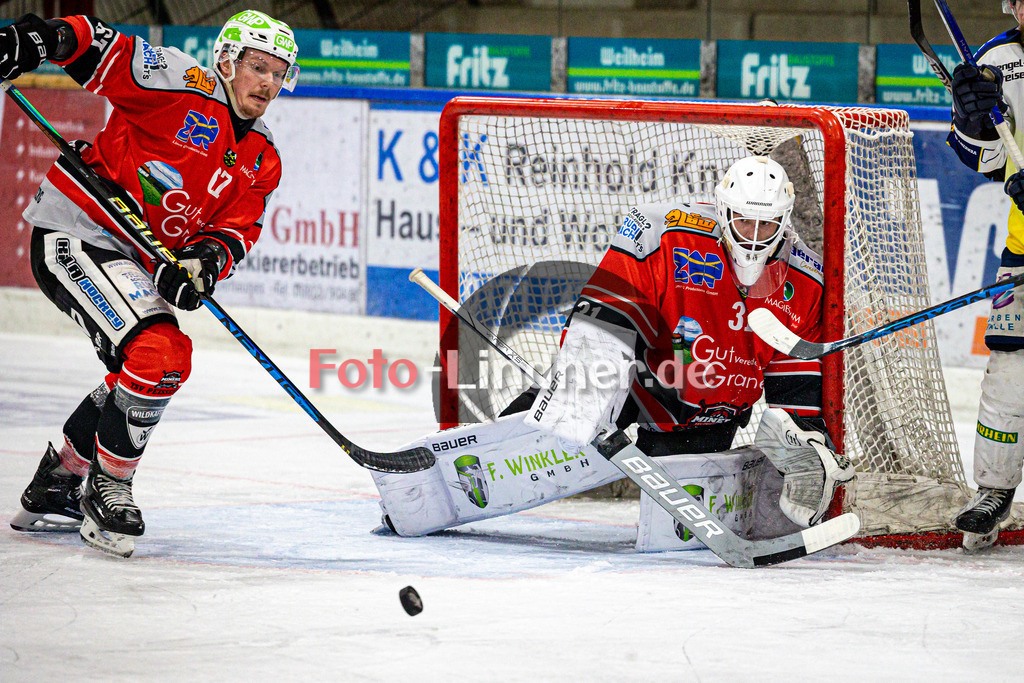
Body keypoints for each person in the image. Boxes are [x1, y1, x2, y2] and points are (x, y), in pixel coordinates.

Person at [371, 155, 854, 542]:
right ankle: (443, 477)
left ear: (783, 224)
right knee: (552, 431)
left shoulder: (807, 282)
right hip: (647, 380)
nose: (752, 238)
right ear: (722, 212)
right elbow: (607, 305)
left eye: (764, 227)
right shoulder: (669, 233)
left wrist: (807, 442)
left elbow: (796, 384)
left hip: (715, 412)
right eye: (742, 223)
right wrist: (586, 387)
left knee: (672, 522)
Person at [5, 10, 298, 557]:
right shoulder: (182, 84)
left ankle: (60, 479)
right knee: (160, 353)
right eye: (258, 66)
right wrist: (36, 39)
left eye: (279, 73)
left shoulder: (263, 157)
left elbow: (233, 232)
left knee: (146, 367)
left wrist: (200, 268)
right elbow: (97, 45)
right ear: (228, 62)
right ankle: (108, 486)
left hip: (133, 261)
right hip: (78, 231)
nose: (268, 82)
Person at [946, 0, 1024, 537]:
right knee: (1009, 374)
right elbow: (985, 159)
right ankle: (995, 489)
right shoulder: (999, 60)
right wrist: (973, 117)